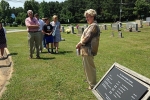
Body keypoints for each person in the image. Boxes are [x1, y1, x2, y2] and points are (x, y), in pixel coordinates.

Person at [76, 9, 100, 90]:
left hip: (89, 50)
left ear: (93, 16)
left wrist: (79, 43)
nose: (87, 18)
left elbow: (87, 37)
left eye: (88, 17)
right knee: (87, 67)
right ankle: (89, 80)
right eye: (86, 17)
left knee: (90, 67)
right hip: (85, 50)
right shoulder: (91, 25)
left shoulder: (94, 26)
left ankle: (92, 84)